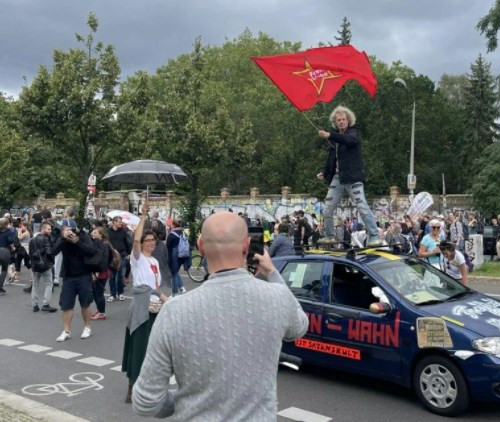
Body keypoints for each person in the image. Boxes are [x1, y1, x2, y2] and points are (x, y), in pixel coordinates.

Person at [132, 212, 308, 420]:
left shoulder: (174, 311)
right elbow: (299, 327)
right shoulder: (277, 297)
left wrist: (188, 402)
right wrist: (272, 273)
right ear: (247, 246)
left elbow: (145, 402)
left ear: (201, 246)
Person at [122, 198, 168, 403]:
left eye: (152, 241)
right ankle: (132, 387)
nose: (150, 243)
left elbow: (156, 286)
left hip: (155, 307)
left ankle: (148, 384)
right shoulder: (137, 259)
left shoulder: (155, 261)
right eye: (146, 241)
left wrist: (162, 297)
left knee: (153, 347)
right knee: (139, 346)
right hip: (141, 307)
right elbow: (135, 241)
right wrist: (142, 216)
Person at [316, 105, 381, 247]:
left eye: (343, 119)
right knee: (327, 208)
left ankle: (375, 236)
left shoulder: (354, 133)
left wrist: (330, 135)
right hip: (338, 179)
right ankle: (330, 236)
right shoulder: (334, 139)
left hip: (353, 178)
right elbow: (331, 158)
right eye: (338, 120)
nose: (341, 122)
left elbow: (349, 141)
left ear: (348, 120)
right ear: (335, 122)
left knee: (362, 206)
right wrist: (324, 172)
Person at [52, 222, 97, 342]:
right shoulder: (62, 240)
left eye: (70, 229)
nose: (69, 232)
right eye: (65, 230)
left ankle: (87, 327)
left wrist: (77, 242)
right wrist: (63, 238)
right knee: (66, 304)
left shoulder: (83, 236)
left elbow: (91, 250)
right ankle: (66, 330)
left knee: (85, 303)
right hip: (68, 276)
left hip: (84, 275)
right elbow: (53, 252)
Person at [28, 222, 57, 312]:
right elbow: (49, 252)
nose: (50, 231)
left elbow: (30, 254)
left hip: (35, 266)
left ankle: (35, 305)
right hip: (45, 265)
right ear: (43, 229)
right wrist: (52, 262)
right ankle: (46, 304)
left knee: (35, 286)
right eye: (48, 229)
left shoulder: (32, 240)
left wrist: (32, 265)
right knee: (49, 284)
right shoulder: (46, 239)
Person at [90, 227, 114, 321]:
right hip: (98, 271)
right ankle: (99, 310)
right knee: (95, 292)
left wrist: (96, 272)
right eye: (93, 232)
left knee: (98, 292)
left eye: (95, 232)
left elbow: (103, 260)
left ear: (101, 235)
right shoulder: (97, 243)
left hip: (101, 272)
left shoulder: (104, 245)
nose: (92, 233)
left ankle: (101, 313)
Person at [108, 216, 131, 302]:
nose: (121, 223)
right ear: (114, 222)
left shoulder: (123, 232)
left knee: (121, 275)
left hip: (122, 255)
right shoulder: (108, 231)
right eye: (119, 222)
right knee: (112, 276)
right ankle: (112, 294)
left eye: (121, 222)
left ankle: (120, 293)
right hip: (111, 256)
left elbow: (127, 243)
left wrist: (128, 253)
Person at [166, 220, 188, 296]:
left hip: (173, 256)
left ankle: (175, 293)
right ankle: (182, 288)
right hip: (183, 255)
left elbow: (168, 247)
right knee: (175, 272)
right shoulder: (183, 233)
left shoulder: (172, 235)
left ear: (173, 225)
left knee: (174, 273)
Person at [0, 218, 16, 294]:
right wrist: (13, 248)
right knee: (4, 270)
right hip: (4, 251)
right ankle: (0, 286)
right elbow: (10, 242)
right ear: (7, 224)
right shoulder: (9, 232)